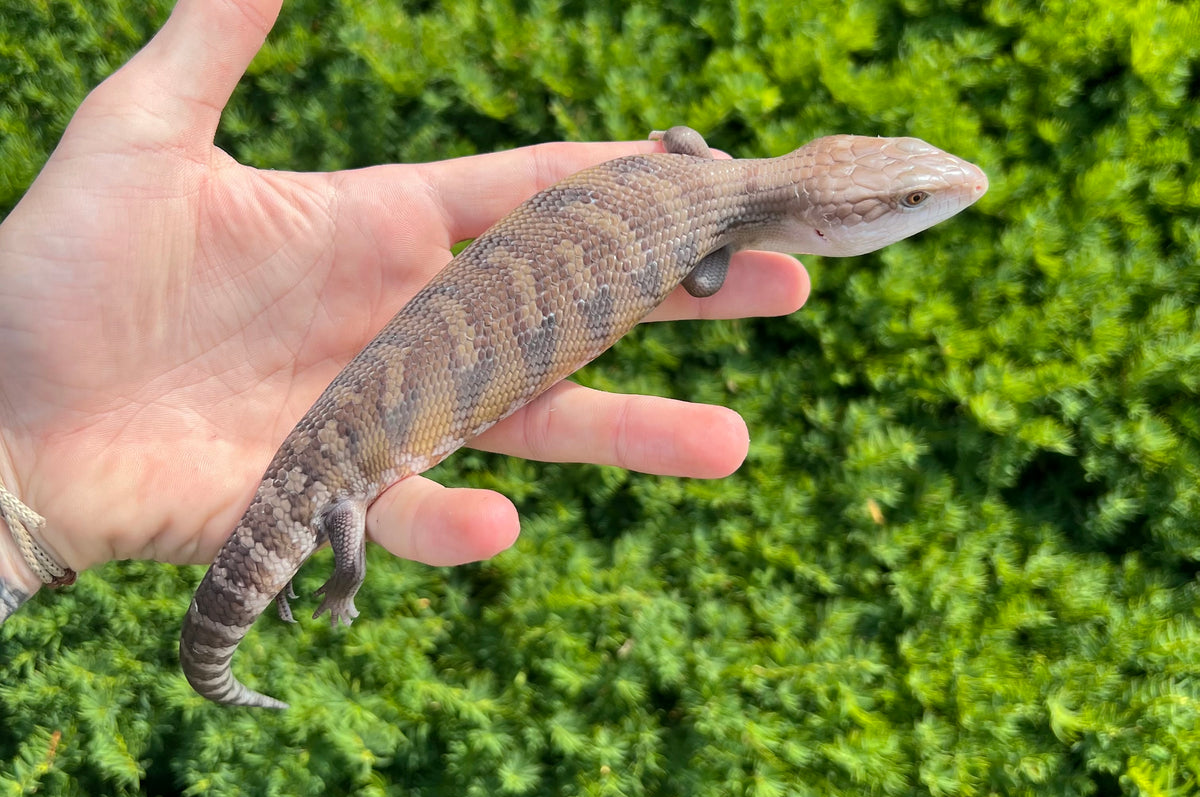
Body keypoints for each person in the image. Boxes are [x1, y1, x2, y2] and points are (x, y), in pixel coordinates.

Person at [0, 0, 808, 621]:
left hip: (365, 423)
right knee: (340, 525)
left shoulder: (334, 496)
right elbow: (340, 540)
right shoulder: (340, 507)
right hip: (363, 435)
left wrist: (27, 477)